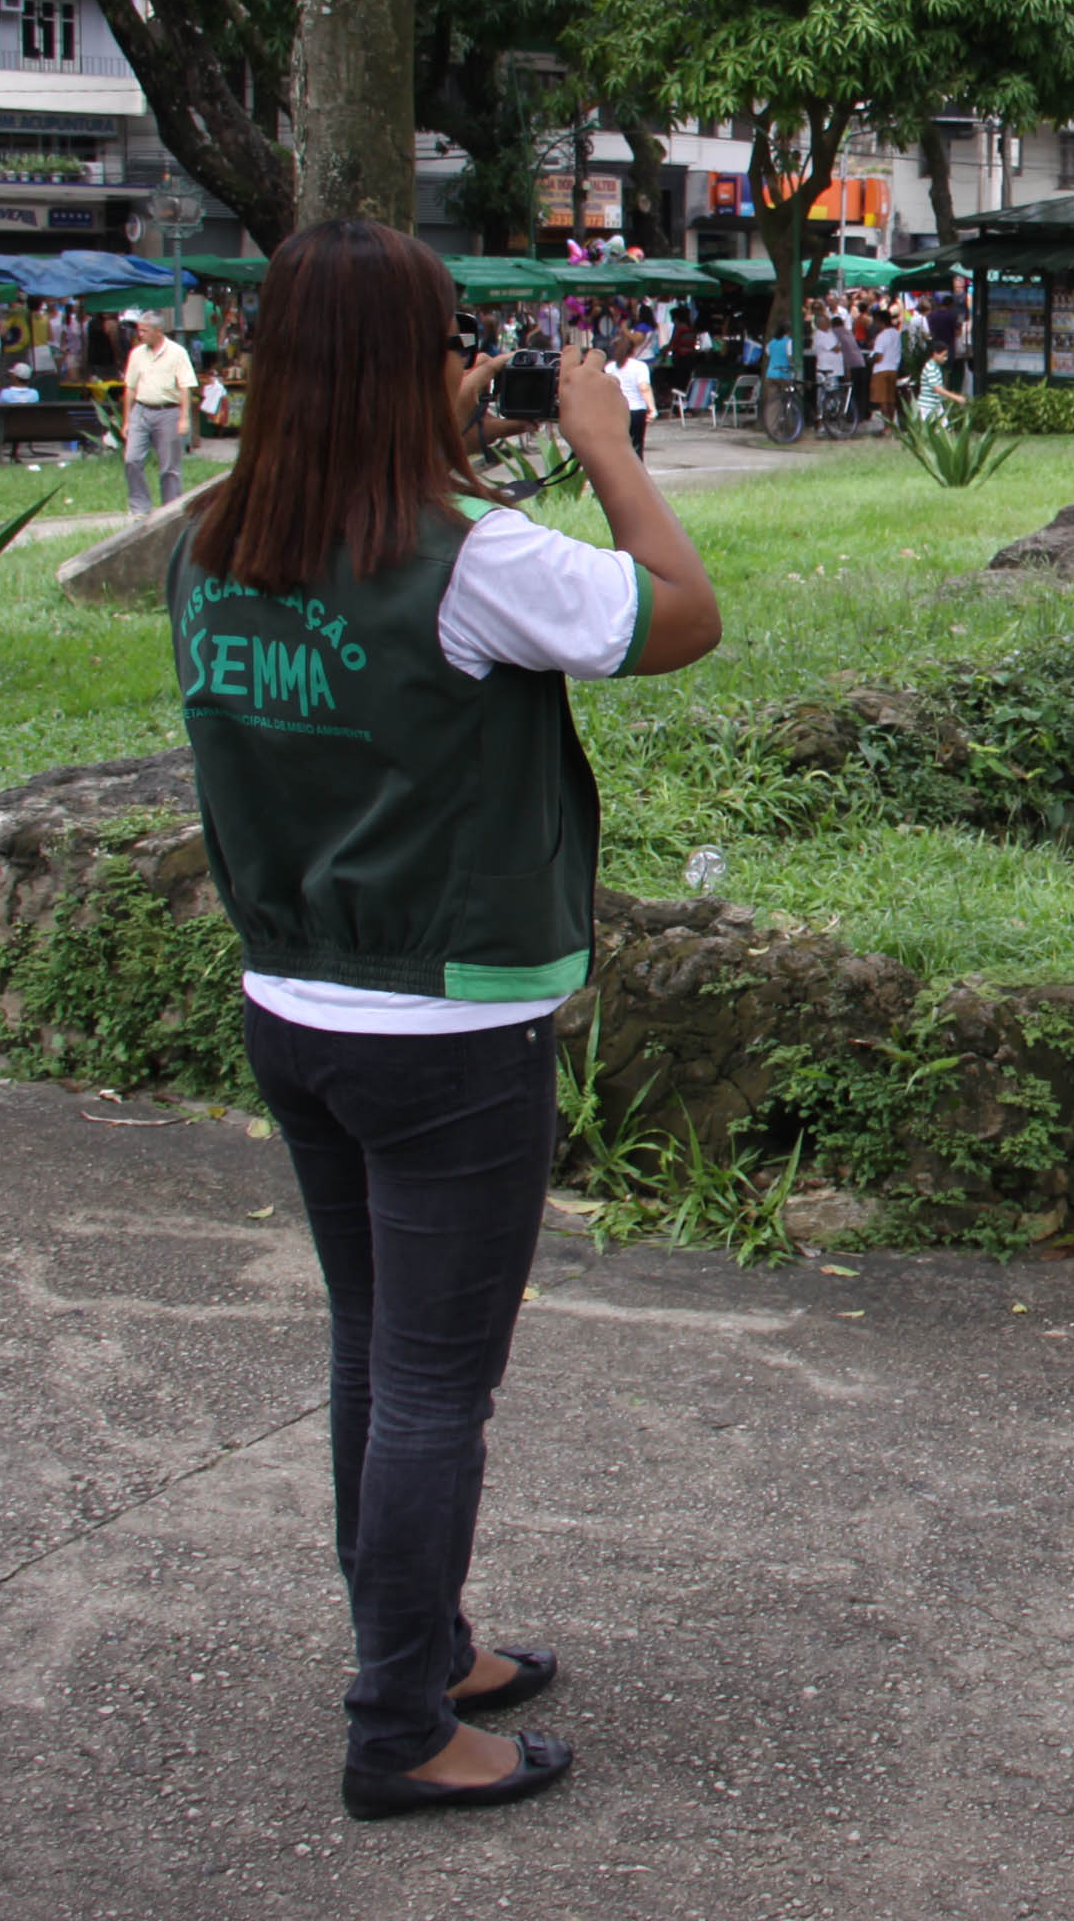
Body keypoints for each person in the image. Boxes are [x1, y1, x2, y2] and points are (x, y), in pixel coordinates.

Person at [171, 220, 720, 1823]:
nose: (472, 369)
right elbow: (677, 614)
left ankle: (421, 1642)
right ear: (403, 370)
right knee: (431, 1387)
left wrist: (456, 446)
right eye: (449, 345)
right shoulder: (471, 557)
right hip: (448, 1033)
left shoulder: (212, 539)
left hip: (296, 1006)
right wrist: (608, 447)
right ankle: (399, 1725)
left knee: (375, 1353)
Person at [121, 310, 197, 512]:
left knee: (169, 468)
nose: (140, 335)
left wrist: (184, 418)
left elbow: (185, 387)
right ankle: (139, 508)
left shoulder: (177, 352)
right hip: (142, 410)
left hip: (168, 412)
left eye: (144, 331)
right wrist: (127, 420)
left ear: (158, 331)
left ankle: (170, 509)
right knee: (132, 459)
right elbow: (129, 387)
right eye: (139, 330)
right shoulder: (137, 354)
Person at [605, 327, 655, 458]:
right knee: (636, 446)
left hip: (616, 411)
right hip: (636, 409)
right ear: (633, 350)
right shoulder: (640, 366)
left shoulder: (609, 368)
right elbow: (644, 387)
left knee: (617, 446)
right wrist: (652, 407)